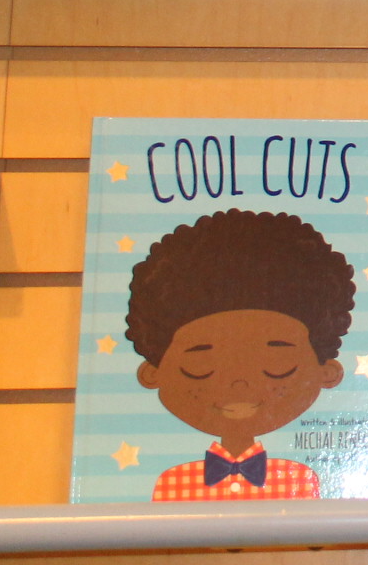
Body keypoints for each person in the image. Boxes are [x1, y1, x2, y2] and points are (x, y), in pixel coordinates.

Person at [125, 208, 355, 501]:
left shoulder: (301, 480)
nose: (239, 383)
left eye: (276, 361)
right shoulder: (173, 483)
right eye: (201, 361)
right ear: (152, 373)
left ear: (327, 372)